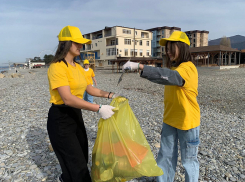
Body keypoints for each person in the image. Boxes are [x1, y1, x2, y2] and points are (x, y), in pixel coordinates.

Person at [122, 31, 200, 182]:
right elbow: (163, 76)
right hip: (170, 120)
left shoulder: (188, 68)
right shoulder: (174, 69)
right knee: (165, 156)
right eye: (167, 48)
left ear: (182, 47)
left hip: (188, 122)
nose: (168, 51)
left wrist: (140, 66)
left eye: (172, 47)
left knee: (189, 161)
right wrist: (141, 69)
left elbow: (171, 77)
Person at [47, 25, 121, 182]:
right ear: (65, 43)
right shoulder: (57, 67)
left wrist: (111, 95)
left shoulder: (79, 68)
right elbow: (67, 98)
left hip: (75, 115)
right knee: (77, 166)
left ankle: (65, 178)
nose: (81, 46)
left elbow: (91, 89)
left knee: (81, 156)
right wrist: (98, 108)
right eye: (77, 43)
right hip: (60, 118)